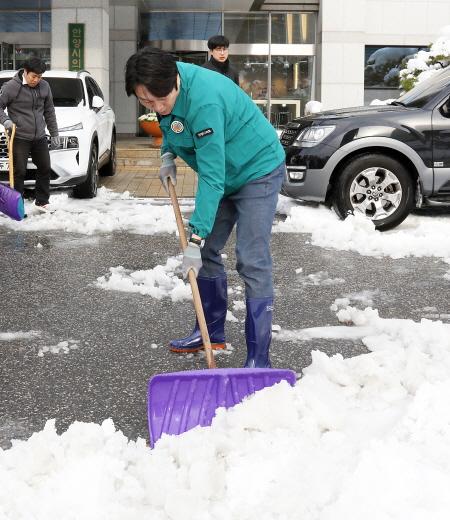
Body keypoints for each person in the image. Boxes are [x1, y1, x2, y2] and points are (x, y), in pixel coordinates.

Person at [125, 48, 285, 368]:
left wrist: (195, 238)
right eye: (146, 102)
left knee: (251, 258)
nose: (156, 107)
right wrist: (167, 153)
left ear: (175, 82)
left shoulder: (205, 101)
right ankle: (210, 333)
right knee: (209, 250)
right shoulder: (162, 82)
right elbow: (172, 123)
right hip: (223, 172)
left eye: (160, 99)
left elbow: (212, 177)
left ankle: (259, 356)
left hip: (257, 170)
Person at [0, 57, 60, 211]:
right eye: (34, 76)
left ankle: (42, 201)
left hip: (39, 136)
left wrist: (54, 133)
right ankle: (17, 205)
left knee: (45, 167)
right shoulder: (11, 87)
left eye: (40, 77)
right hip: (19, 136)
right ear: (25, 72)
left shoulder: (45, 86)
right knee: (19, 171)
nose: (37, 80)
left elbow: (49, 111)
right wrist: (6, 121)